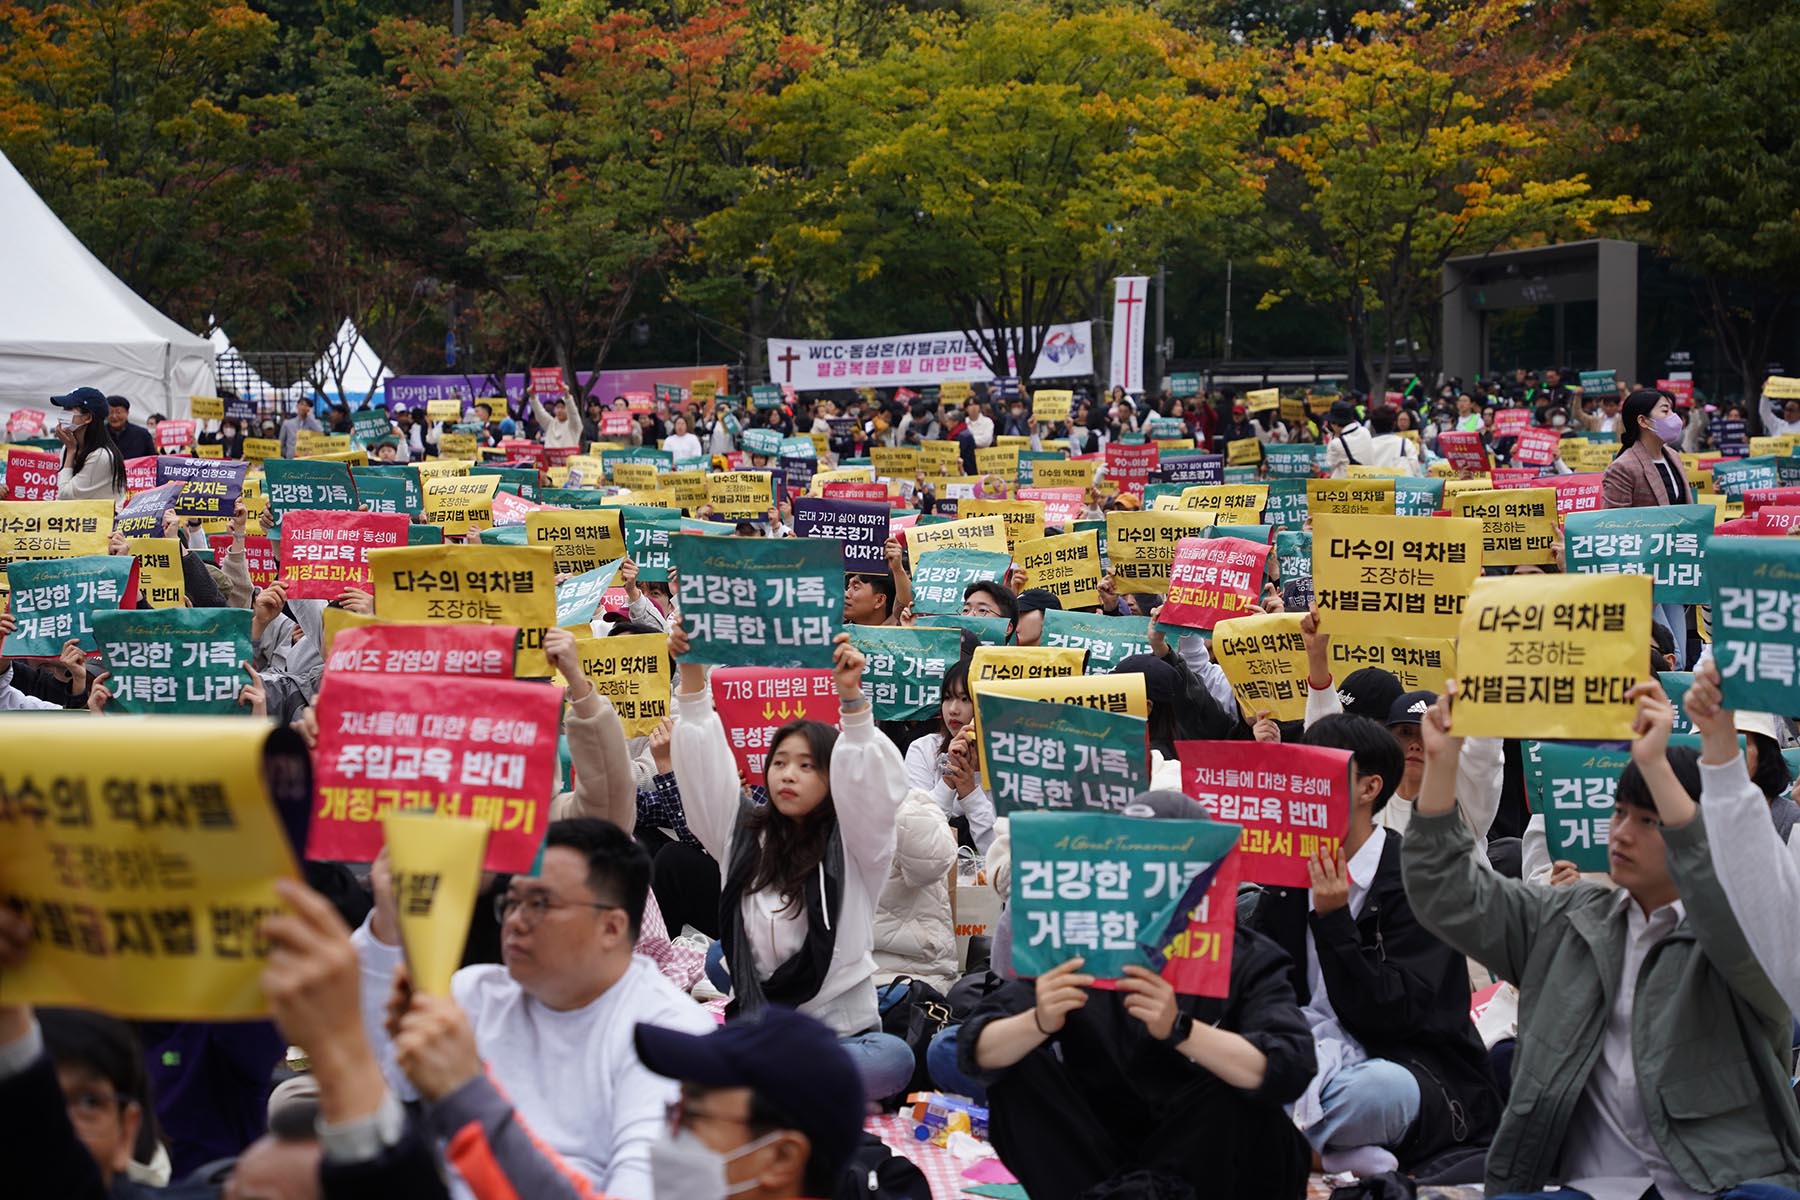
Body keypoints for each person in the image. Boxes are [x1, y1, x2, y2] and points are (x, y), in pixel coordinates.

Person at [1403, 682, 1800, 1198]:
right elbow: (1447, 893)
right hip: (1584, 1189)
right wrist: (1441, 765)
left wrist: (1658, 764)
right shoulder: (1566, 920)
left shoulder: (1747, 937)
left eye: (1649, 820)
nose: (1622, 833)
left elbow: (1732, 910)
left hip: (1716, 1187)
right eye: (1619, 813)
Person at [957, 792, 1317, 1200]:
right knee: (1016, 1070)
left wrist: (1183, 1030)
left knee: (1244, 1095)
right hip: (1099, 1156)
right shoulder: (1082, 947)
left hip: (1203, 1162)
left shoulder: (1246, 957)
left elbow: (1291, 1064)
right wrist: (1039, 1019)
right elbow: (974, 1047)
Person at [350, 817, 713, 1200]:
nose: (515, 922)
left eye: (539, 903)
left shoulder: (671, 1036)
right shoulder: (476, 991)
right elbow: (384, 1080)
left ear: (611, 927)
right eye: (512, 902)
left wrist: (467, 1092)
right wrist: (389, 924)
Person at [668, 626, 918, 1101]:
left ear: (834, 775)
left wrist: (853, 703)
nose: (788, 774)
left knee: (893, 1059)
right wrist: (693, 680)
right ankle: (778, 1076)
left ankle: (765, 1077)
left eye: (807, 765)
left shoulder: (856, 845)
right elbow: (703, 779)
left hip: (841, 1037)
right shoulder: (745, 837)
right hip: (763, 1025)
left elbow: (872, 791)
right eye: (780, 761)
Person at [1249, 714, 1500, 1177]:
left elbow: (1390, 1014)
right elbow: (1259, 986)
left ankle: (1283, 1147)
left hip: (1403, 1064)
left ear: (1368, 789)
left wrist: (1334, 922)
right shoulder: (1284, 873)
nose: (1302, 789)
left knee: (1377, 1092)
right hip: (1301, 1053)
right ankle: (1322, 1151)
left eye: (1319, 774)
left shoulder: (1416, 878)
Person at [1684, 658, 1800, 1016]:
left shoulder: (1790, 820)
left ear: (1762, 752)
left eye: (1739, 742)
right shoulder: (1685, 821)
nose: (1721, 749)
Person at [1602, 388, 1693, 667]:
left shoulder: (1673, 457)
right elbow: (1613, 527)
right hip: (1643, 576)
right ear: (1643, 421)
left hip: (1674, 571)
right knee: (1668, 655)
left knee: (1680, 652)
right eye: (1665, 411)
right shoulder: (1623, 467)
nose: (1674, 418)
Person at [903, 657, 997, 852]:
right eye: (947, 698)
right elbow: (916, 838)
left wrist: (970, 792)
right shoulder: (923, 749)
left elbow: (999, 851)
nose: (953, 710)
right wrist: (949, 779)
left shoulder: (1007, 760)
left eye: (965, 699)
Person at [50, 387, 127, 503]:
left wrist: (71, 451)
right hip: (79, 517)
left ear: (87, 418)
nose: (62, 414)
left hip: (104, 519)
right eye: (63, 408)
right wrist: (70, 450)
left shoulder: (101, 456)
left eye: (69, 408)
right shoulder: (68, 446)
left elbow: (65, 496)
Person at [1322, 400, 1374, 478]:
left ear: (1334, 423)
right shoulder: (1365, 431)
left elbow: (1329, 464)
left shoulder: (1336, 443)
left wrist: (1333, 436)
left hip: (1346, 486)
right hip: (1367, 482)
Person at [103, 394, 158, 460]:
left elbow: (152, 459)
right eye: (111, 412)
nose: (114, 416)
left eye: (118, 412)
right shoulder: (100, 434)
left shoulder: (142, 434)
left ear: (127, 413)